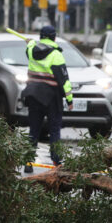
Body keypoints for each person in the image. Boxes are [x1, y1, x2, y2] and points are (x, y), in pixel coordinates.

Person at [21, 25, 73, 173]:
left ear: (41, 37)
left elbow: (30, 47)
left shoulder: (31, 50)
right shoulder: (56, 55)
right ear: (54, 37)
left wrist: (31, 42)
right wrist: (69, 100)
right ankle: (56, 162)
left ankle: (28, 162)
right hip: (52, 97)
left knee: (34, 130)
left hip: (33, 95)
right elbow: (64, 80)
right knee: (54, 130)